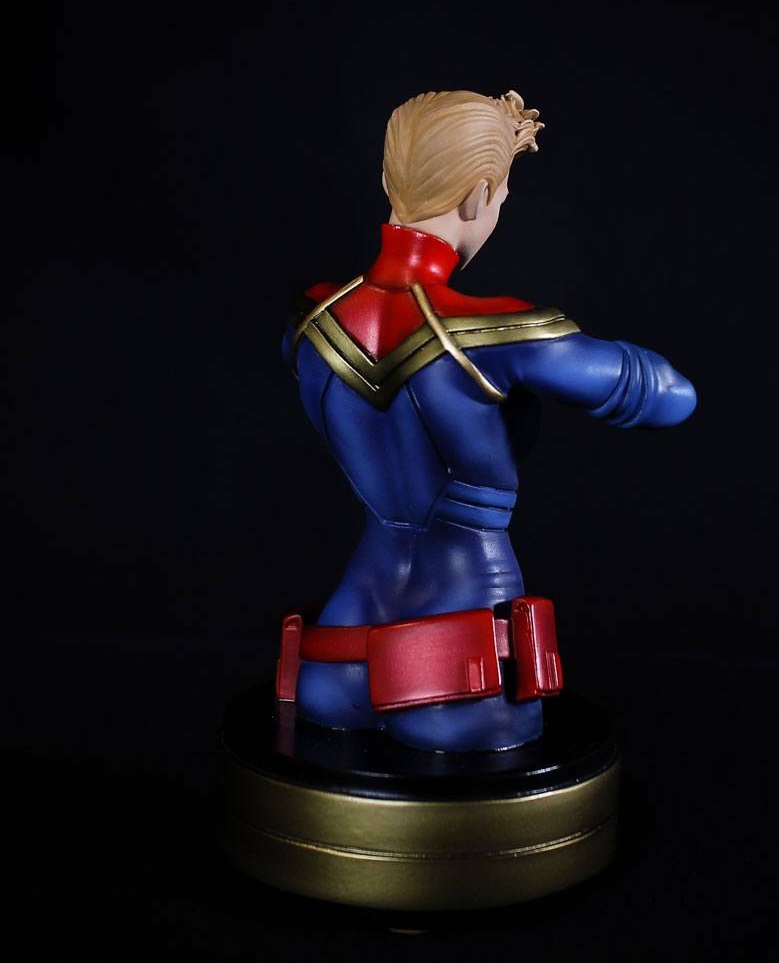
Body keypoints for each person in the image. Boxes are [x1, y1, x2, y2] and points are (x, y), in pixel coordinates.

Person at [277, 89, 696, 751]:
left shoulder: (309, 320)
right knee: (470, 764)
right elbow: (673, 397)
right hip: (463, 609)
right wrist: (566, 353)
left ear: (388, 181)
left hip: (344, 633)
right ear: (478, 196)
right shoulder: (496, 332)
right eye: (500, 197)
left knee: (325, 734)